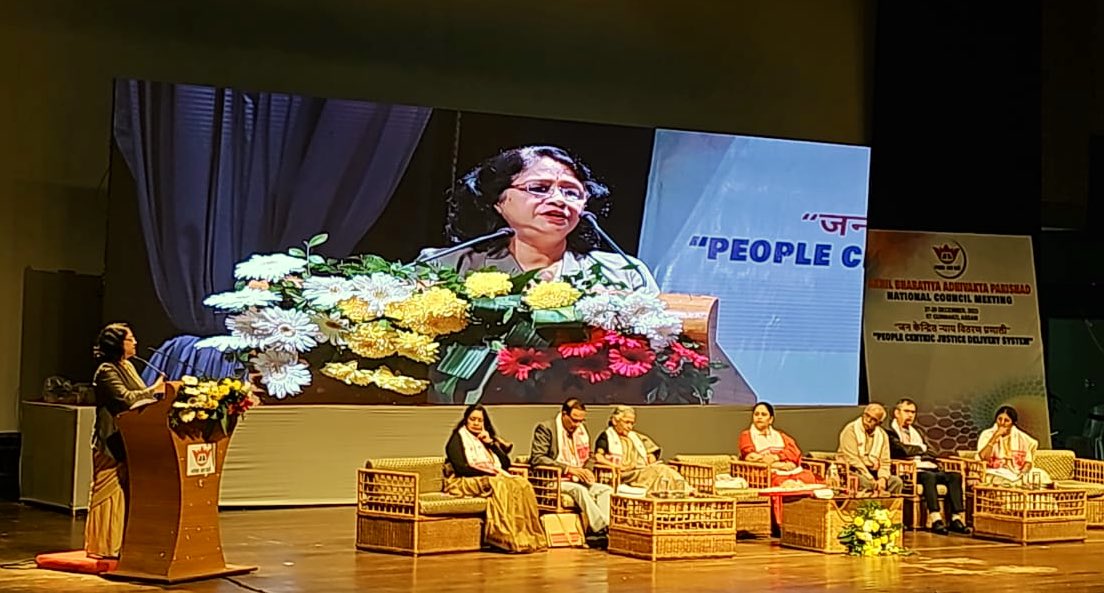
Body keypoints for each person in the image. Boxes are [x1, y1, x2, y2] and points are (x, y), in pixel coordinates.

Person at [422, 145, 659, 291]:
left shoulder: (624, 273)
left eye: (571, 192)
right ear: (498, 201)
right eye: (539, 188)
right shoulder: (446, 265)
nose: (559, 199)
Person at [85, 323, 165, 558]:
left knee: (128, 493)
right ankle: (104, 546)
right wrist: (155, 389)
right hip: (111, 441)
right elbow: (126, 399)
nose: (135, 342)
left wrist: (157, 393)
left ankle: (124, 543)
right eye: (130, 339)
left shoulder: (128, 366)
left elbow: (143, 400)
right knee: (110, 492)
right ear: (117, 344)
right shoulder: (106, 371)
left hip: (132, 440)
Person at [443, 404, 547, 553]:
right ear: (466, 420)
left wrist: (491, 444)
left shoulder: (485, 440)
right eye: (472, 419)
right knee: (501, 485)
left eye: (480, 420)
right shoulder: (457, 439)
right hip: (464, 480)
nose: (476, 423)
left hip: (491, 476)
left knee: (523, 484)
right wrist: (488, 473)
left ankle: (527, 535)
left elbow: (505, 464)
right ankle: (504, 537)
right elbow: (461, 467)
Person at [530, 398, 612, 545]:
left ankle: (605, 528)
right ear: (564, 414)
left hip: (576, 479)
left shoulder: (580, 432)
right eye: (574, 420)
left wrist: (586, 470)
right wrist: (568, 469)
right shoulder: (547, 428)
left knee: (606, 490)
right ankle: (601, 529)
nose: (577, 425)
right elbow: (538, 458)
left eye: (581, 421)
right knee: (579, 490)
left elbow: (590, 456)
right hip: (554, 480)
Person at [887, 398, 969, 535]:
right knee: (928, 477)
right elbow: (901, 450)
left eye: (913, 412)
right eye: (906, 411)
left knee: (955, 476)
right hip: (909, 471)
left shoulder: (917, 431)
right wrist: (921, 449)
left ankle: (956, 518)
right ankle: (936, 518)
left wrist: (918, 449)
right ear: (897, 413)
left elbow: (932, 451)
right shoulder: (890, 432)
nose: (910, 415)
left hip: (927, 466)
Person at [593, 405, 685, 493]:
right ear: (615, 421)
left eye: (632, 423)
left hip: (639, 470)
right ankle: (686, 491)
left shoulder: (634, 436)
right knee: (661, 470)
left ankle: (682, 492)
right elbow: (598, 457)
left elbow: (652, 450)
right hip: (621, 474)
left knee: (664, 472)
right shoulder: (606, 436)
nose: (630, 427)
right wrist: (617, 467)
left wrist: (651, 457)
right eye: (627, 422)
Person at [837, 403, 903, 495]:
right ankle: (869, 507)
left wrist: (882, 479)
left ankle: (887, 508)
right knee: (866, 483)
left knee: (896, 482)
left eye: (873, 419)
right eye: (867, 415)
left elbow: (885, 461)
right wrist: (870, 478)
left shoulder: (882, 435)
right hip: (853, 471)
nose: (868, 420)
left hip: (874, 472)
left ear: (879, 423)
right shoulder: (850, 430)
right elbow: (852, 460)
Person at [977, 405, 1051, 486]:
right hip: (995, 471)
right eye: (999, 419)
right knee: (1000, 480)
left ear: (1012, 423)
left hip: (1016, 472)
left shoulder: (1021, 438)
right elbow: (983, 457)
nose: (1002, 423)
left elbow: (1028, 462)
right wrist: (994, 438)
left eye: (1006, 420)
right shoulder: (987, 434)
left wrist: (1023, 472)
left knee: (1040, 475)